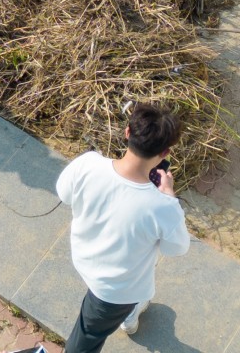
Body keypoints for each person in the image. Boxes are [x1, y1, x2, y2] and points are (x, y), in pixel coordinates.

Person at [55, 102, 191, 351]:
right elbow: (177, 248)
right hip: (115, 291)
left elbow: (63, 194)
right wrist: (169, 196)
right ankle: (128, 316)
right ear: (165, 153)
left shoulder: (88, 164)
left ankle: (130, 311)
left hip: (85, 258)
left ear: (127, 132)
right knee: (84, 340)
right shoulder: (163, 206)